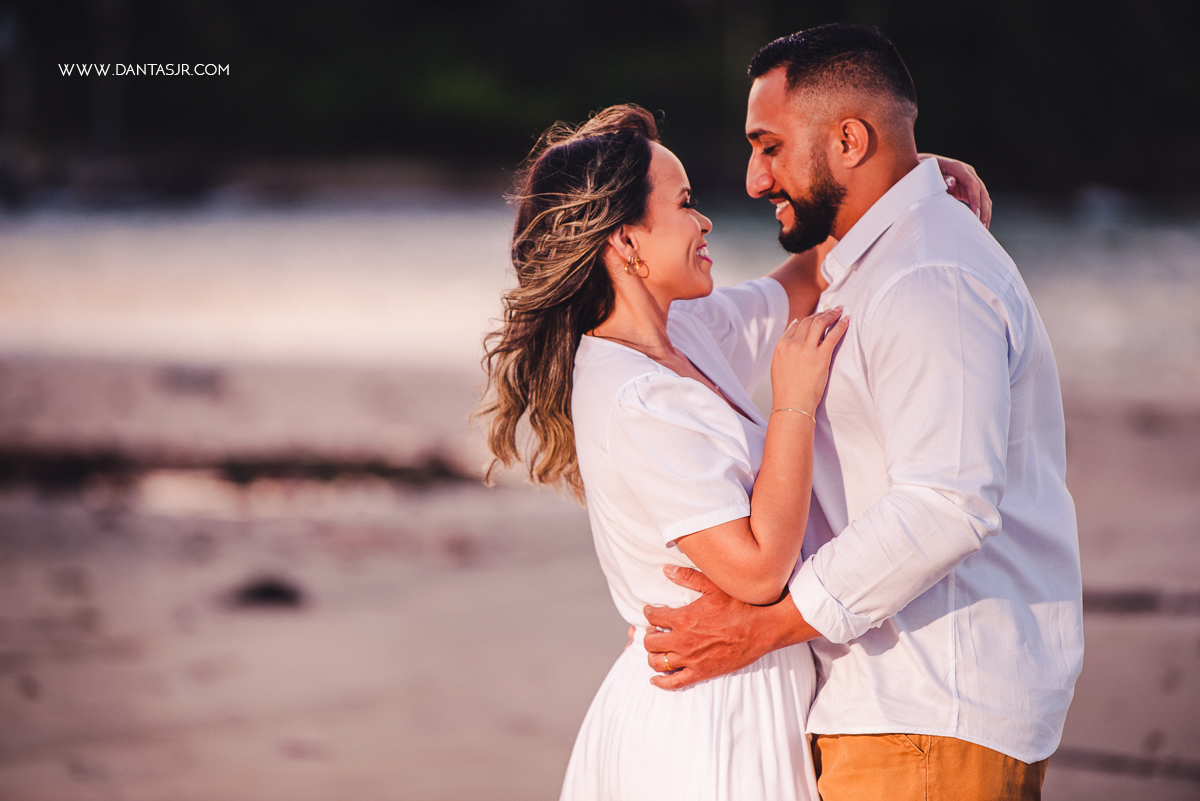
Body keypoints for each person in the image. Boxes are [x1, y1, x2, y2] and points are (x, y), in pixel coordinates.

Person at [478, 98, 989, 797]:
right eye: (684, 203)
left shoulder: (686, 332)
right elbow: (757, 570)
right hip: (708, 717)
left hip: (742, 693)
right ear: (625, 243)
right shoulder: (636, 396)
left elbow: (808, 275)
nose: (705, 220)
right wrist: (792, 402)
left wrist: (900, 172)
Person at [641, 24, 1083, 801]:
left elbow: (947, 501)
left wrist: (762, 628)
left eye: (770, 146)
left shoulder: (927, 276)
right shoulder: (884, 257)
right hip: (903, 710)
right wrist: (911, 175)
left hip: (930, 715)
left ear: (848, 140)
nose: (753, 179)